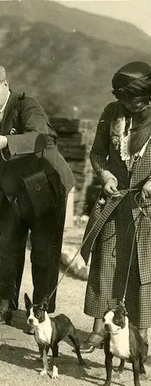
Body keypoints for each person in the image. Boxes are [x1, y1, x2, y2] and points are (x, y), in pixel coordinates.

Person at [0, 65, 75, 330]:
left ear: (5, 85)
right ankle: (4, 306)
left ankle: (41, 313)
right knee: (8, 248)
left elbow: (41, 137)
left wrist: (7, 142)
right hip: (12, 194)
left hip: (45, 188)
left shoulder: (28, 107)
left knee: (44, 254)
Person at [80, 61, 151, 352]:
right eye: (123, 100)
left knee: (142, 269)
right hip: (115, 201)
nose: (127, 106)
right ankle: (99, 329)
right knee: (105, 262)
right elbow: (97, 153)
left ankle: (141, 336)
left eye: (133, 101)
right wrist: (105, 174)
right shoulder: (111, 113)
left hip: (145, 207)